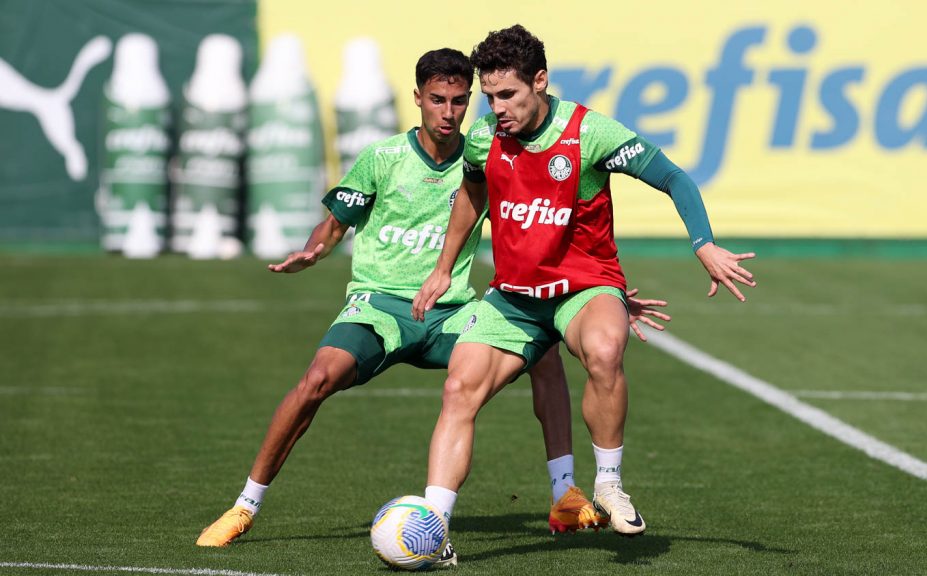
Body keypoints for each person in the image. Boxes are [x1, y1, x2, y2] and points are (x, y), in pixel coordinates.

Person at [195, 48, 670, 554]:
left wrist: (599, 292)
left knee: (545, 347)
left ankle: (565, 495)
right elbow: (335, 222)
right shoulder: (384, 159)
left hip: (452, 313)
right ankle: (245, 506)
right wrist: (316, 249)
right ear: (418, 97)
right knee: (316, 380)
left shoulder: (490, 153)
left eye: (460, 102)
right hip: (381, 307)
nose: (448, 112)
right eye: (437, 100)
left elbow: (547, 230)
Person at [412, 25, 756, 540]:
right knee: (459, 387)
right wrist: (444, 267)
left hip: (583, 287)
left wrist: (703, 244)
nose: (496, 108)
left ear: (541, 82)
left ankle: (610, 485)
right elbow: (472, 194)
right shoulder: (484, 138)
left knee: (603, 347)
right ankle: (432, 528)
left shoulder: (590, 133)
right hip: (515, 298)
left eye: (508, 95)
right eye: (489, 97)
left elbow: (674, 178)